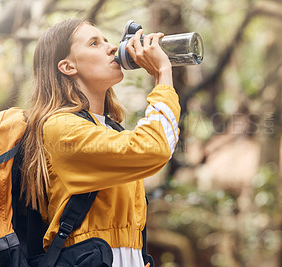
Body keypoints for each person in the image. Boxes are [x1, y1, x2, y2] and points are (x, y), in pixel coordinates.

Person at [20, 18, 180, 267]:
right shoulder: (61, 129)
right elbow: (155, 147)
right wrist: (163, 73)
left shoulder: (107, 128)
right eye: (94, 43)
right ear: (68, 66)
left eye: (106, 40)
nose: (112, 47)